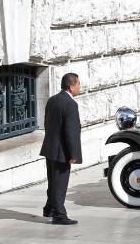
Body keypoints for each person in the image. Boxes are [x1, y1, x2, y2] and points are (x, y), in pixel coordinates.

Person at [40, 72, 82, 225]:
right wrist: (73, 154)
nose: (79, 87)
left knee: (53, 181)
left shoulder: (52, 100)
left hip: (50, 148)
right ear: (71, 87)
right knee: (60, 184)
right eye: (78, 84)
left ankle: (49, 209)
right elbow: (71, 132)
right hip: (62, 151)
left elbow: (47, 123)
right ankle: (59, 215)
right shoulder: (70, 104)